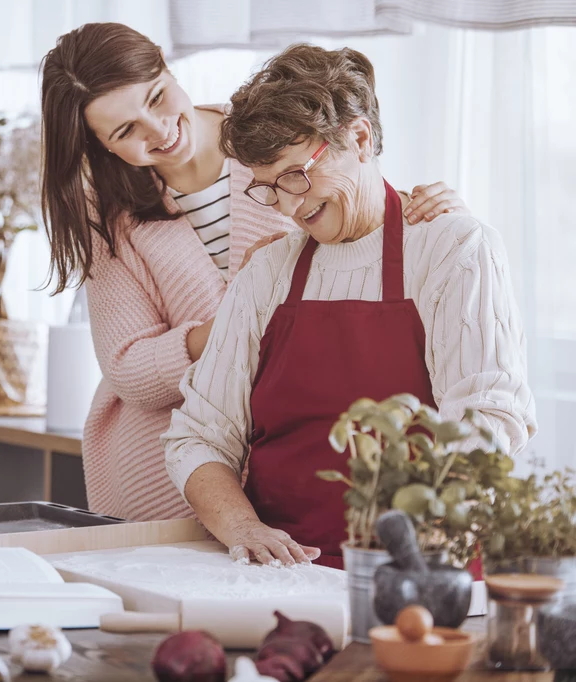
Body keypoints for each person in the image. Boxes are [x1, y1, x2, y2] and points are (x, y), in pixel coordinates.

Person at [40, 22, 471, 521]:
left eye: (156, 98)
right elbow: (130, 371)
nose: (158, 130)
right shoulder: (105, 212)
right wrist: (241, 311)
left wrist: (437, 218)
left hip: (288, 463)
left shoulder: (264, 133)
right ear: (101, 146)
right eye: (124, 131)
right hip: (165, 474)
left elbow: (358, 195)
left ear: (165, 61)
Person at [161, 43, 536, 568]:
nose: (290, 207)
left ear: (359, 137)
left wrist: (413, 548)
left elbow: (490, 416)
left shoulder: (453, 249)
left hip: (419, 575)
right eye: (269, 188)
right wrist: (243, 528)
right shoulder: (266, 272)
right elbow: (198, 436)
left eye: (297, 174)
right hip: (281, 577)